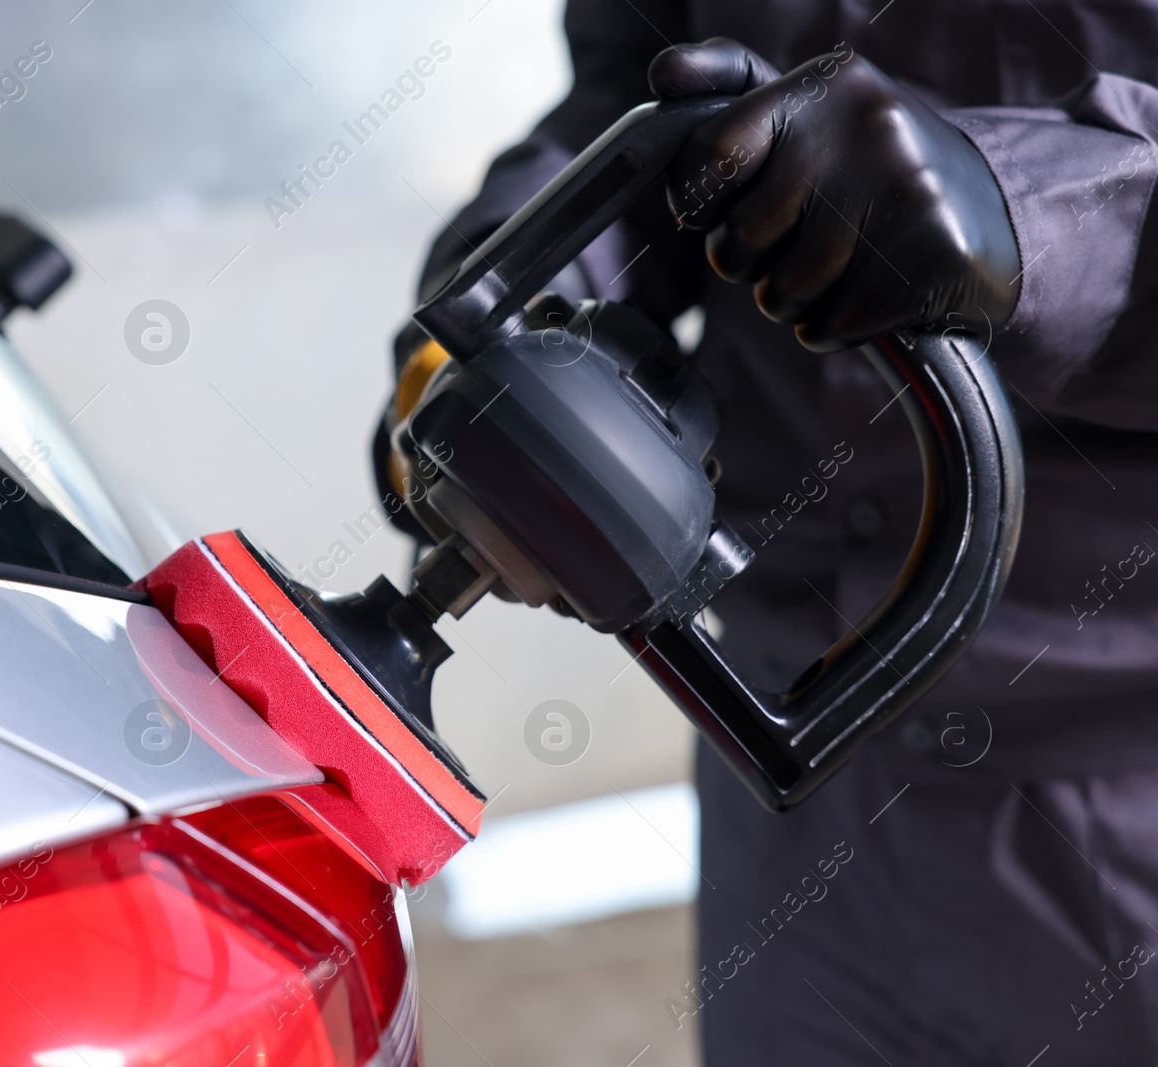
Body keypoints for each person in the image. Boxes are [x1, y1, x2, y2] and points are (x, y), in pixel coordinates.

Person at [378, 3, 1158, 1061]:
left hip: (1114, 790)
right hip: (786, 791)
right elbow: (636, 84)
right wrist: (518, 284)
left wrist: (1043, 212)